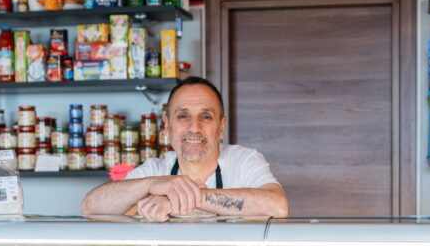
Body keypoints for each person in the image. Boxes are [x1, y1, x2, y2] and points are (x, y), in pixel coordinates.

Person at [81, 77, 288, 220]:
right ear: (167, 125)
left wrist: (177, 199)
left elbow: (278, 207)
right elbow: (91, 207)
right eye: (183, 116)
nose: (194, 128)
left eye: (206, 117)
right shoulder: (155, 170)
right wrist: (151, 185)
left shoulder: (243, 160)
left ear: (221, 126)